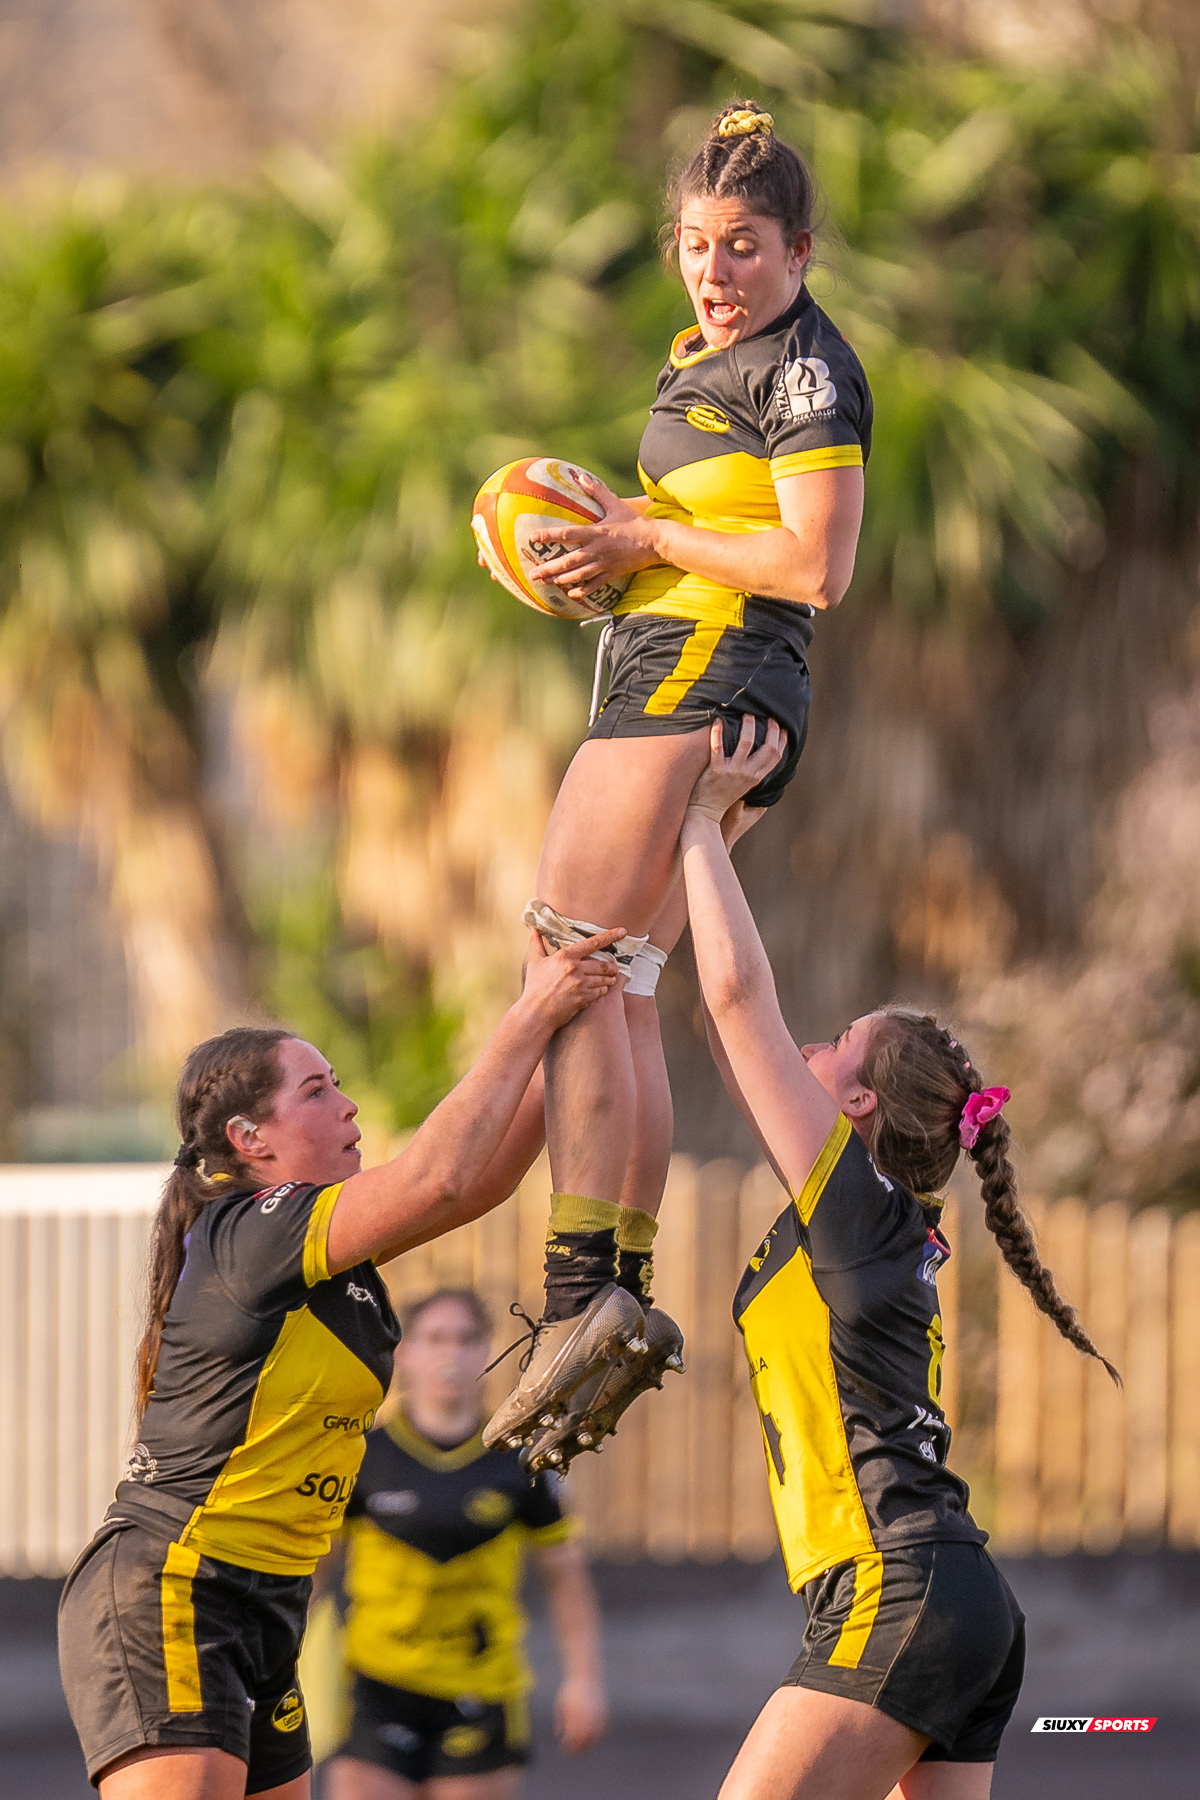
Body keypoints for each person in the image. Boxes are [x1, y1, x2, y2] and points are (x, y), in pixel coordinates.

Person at [480, 98, 872, 1459]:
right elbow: (713, 534)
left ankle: (585, 1296)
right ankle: (616, 1295)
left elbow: (814, 567)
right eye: (700, 243)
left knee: (573, 966)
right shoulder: (700, 357)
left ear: (802, 249)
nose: (718, 270)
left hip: (699, 688)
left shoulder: (804, 371)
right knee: (623, 986)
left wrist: (646, 533)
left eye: (749, 246)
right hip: (691, 676)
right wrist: (614, 557)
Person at [56, 926, 623, 1800]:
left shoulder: (336, 1260)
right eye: (318, 1091)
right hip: (178, 1581)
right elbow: (439, 1175)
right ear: (252, 1138)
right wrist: (532, 1008)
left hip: (270, 1605)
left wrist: (580, 1019)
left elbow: (479, 1181)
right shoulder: (258, 1225)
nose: (349, 1104)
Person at [675, 717, 1118, 1800]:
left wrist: (693, 818)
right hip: (956, 1600)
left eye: (834, 1047)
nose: (810, 1051)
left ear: (861, 1102)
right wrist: (708, 858)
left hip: (899, 1588)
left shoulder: (861, 1212)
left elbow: (738, 1008)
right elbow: (734, 1026)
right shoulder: (878, 1221)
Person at [320, 1288, 606, 1799]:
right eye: (434, 1339)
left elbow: (566, 1577)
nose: (450, 1354)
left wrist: (583, 1680)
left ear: (486, 1352)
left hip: (480, 1687)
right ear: (403, 1352)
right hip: (376, 1684)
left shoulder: (521, 1459)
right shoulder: (363, 1456)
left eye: (465, 1339)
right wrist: (274, 1666)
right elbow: (313, 1573)